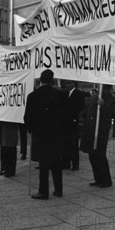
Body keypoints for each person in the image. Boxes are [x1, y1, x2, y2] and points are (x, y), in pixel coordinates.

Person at [24, 69, 67, 199]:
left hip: (40, 133)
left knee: (43, 164)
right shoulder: (59, 95)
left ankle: (43, 191)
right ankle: (58, 189)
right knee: (56, 162)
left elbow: (28, 117)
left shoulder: (33, 96)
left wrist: (31, 128)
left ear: (40, 80)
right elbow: (64, 115)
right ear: (52, 80)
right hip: (55, 133)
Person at [80, 85, 115, 188]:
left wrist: (103, 105)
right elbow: (87, 110)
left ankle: (106, 180)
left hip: (101, 131)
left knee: (100, 155)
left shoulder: (111, 100)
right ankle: (98, 178)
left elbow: (113, 113)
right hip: (91, 130)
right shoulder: (93, 98)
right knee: (92, 156)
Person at [64, 82, 87, 171]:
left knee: (73, 144)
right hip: (66, 122)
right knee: (66, 144)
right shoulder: (65, 93)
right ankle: (66, 163)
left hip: (73, 121)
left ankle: (75, 164)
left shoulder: (78, 94)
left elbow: (81, 107)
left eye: (68, 83)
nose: (66, 85)